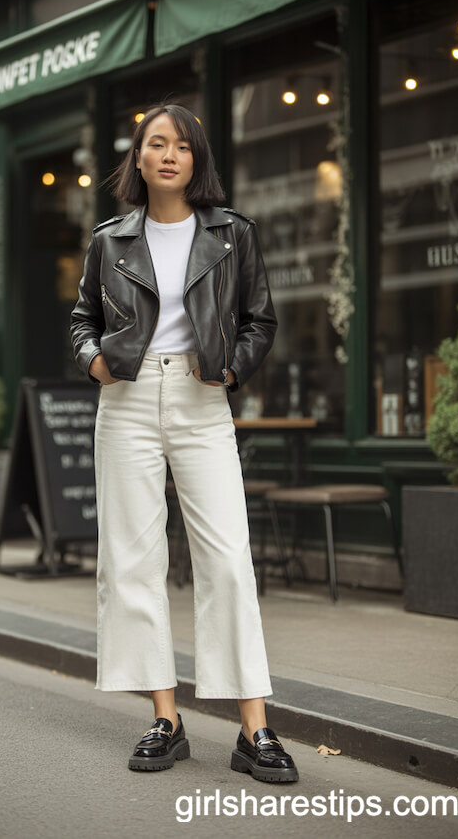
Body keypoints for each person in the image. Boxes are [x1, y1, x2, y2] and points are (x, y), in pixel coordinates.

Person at [70, 103, 299, 783]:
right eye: (155, 143)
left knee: (228, 559)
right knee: (132, 561)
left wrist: (230, 368)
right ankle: (164, 720)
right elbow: (82, 316)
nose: (169, 154)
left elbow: (260, 319)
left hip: (202, 398)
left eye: (183, 146)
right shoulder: (110, 240)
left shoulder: (232, 234)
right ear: (137, 158)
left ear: (197, 160)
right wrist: (94, 362)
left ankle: (254, 728)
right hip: (128, 398)